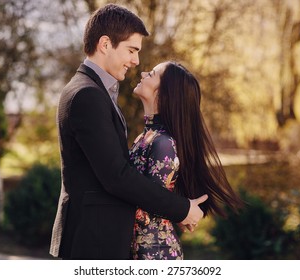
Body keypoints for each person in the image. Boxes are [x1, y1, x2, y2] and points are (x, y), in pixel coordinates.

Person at [49, 4, 207, 260]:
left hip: (100, 237)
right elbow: (116, 176)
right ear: (105, 44)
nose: (135, 61)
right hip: (94, 240)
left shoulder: (94, 90)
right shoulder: (87, 94)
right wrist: (181, 209)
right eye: (131, 50)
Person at [130, 61, 244, 260]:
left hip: (154, 253)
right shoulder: (147, 136)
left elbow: (150, 201)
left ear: (164, 94)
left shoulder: (163, 143)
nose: (142, 73)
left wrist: (180, 210)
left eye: (152, 74)